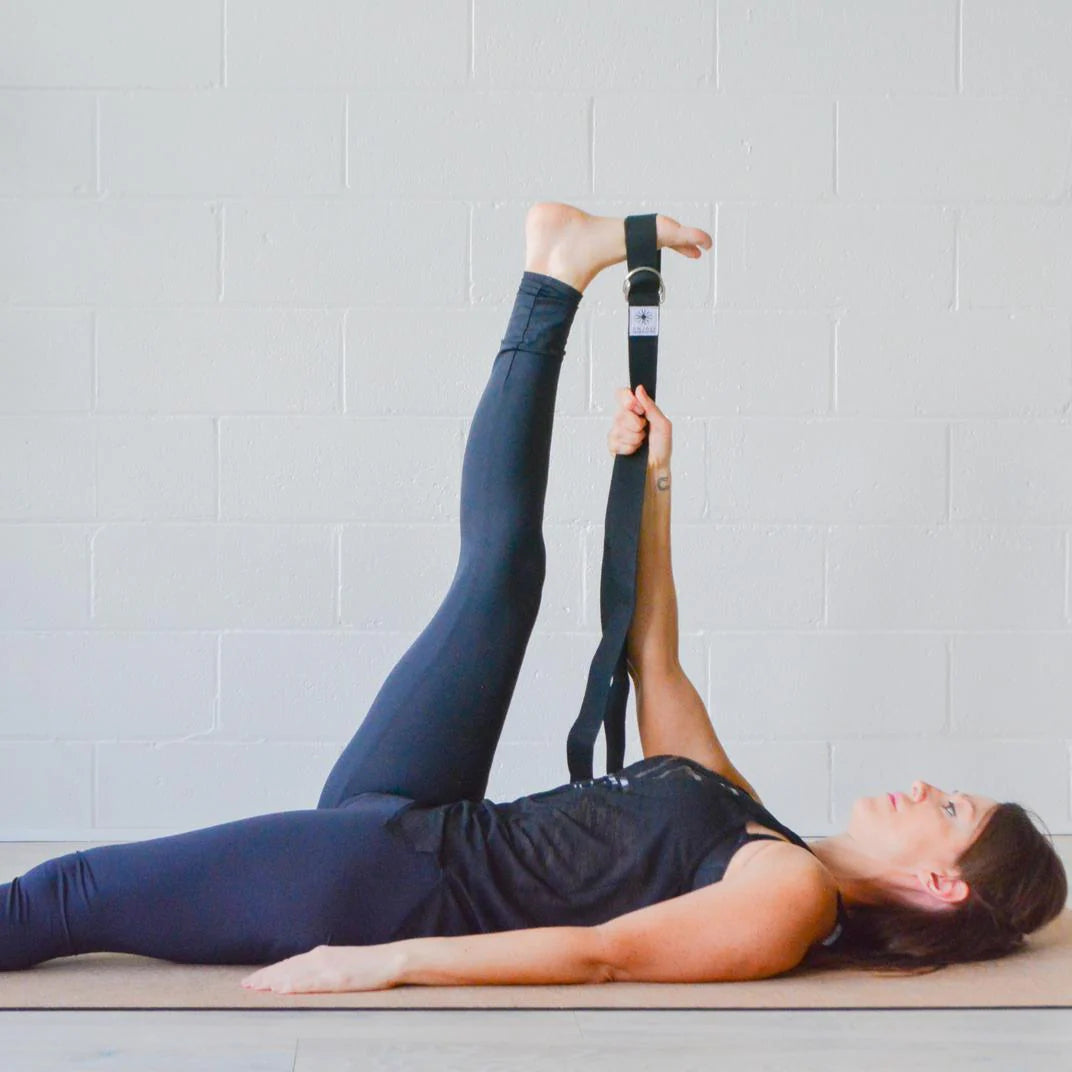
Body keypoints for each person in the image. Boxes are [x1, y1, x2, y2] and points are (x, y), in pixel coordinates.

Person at [1, 204, 1065, 994]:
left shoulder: (787, 900)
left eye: (948, 809)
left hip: (381, 888)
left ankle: (552, 269)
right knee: (504, 570)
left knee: (65, 897)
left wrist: (386, 964)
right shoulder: (758, 824)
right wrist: (652, 478)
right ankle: (554, 267)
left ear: (945, 884)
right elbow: (652, 656)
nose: (924, 785)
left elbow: (601, 956)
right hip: (415, 824)